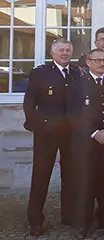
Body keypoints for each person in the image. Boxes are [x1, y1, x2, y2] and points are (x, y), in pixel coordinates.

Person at [23, 39, 82, 236]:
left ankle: (69, 215)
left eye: (68, 50)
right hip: (47, 134)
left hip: (71, 134)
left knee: (71, 175)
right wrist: (37, 126)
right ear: (52, 53)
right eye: (61, 50)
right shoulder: (40, 73)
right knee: (41, 175)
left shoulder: (76, 73)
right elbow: (29, 102)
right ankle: (35, 220)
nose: (65, 53)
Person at [66, 49, 104, 238]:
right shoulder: (77, 85)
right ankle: (83, 223)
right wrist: (94, 133)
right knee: (85, 182)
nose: (102, 63)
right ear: (88, 62)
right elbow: (73, 114)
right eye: (98, 60)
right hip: (86, 143)